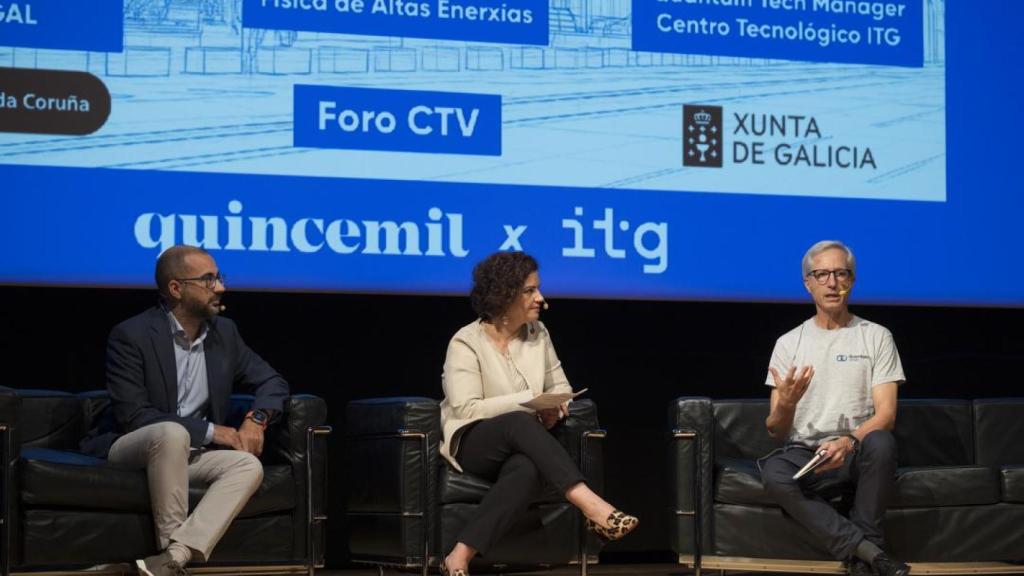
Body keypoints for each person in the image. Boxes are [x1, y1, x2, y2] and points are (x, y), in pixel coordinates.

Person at [81, 245, 289, 576]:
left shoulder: (225, 334)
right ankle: (167, 548)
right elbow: (134, 416)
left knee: (247, 465)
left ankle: (173, 559)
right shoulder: (131, 335)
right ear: (176, 288)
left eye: (219, 278)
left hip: (189, 454)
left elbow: (272, 382)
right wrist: (213, 431)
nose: (220, 287)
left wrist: (256, 420)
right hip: (132, 447)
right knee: (171, 433)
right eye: (208, 280)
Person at [439, 251, 637, 576]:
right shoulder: (466, 342)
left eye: (538, 289)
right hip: (475, 443)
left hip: (523, 443)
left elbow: (561, 387)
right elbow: (467, 408)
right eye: (530, 290)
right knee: (518, 420)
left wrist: (555, 410)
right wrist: (529, 400)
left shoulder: (538, 335)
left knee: (526, 469)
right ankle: (592, 506)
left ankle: (458, 556)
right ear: (504, 295)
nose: (541, 299)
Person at [760, 241, 909, 576]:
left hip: (857, 449)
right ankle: (869, 552)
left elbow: (886, 415)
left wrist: (848, 442)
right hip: (807, 454)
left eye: (840, 273)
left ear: (851, 281)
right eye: (821, 274)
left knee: (882, 442)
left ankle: (864, 553)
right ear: (808, 283)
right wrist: (785, 404)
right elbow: (776, 431)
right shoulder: (788, 343)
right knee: (774, 474)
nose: (831, 282)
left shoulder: (876, 336)